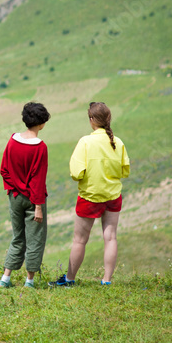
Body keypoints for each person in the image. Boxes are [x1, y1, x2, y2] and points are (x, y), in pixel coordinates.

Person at [50, 101, 130, 287]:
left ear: (92, 120)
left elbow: (76, 173)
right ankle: (107, 281)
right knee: (110, 237)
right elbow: (125, 171)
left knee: (80, 240)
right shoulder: (118, 142)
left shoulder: (85, 142)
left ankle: (69, 279)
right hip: (113, 196)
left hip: (90, 197)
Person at [0, 102, 50, 288]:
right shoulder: (40, 147)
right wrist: (37, 206)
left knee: (17, 237)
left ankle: (5, 278)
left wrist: (14, 189)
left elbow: (4, 170)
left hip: (14, 197)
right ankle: (29, 281)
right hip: (33, 199)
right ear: (42, 123)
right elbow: (38, 179)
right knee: (35, 238)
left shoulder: (12, 140)